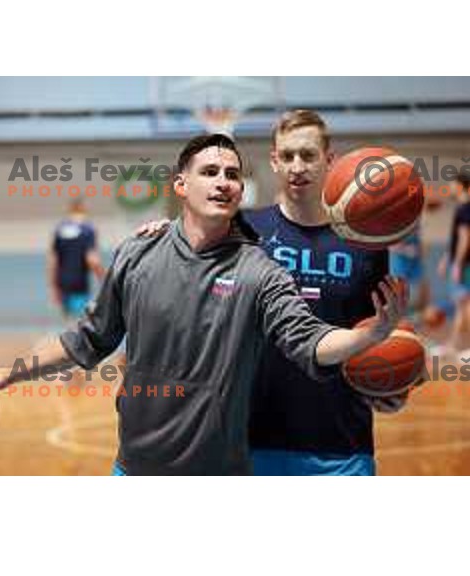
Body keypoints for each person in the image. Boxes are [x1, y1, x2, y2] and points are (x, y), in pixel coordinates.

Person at [0, 134, 406, 476]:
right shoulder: (137, 252)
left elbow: (309, 342)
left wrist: (368, 335)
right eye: (210, 172)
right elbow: (87, 340)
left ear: (241, 191)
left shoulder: (260, 271)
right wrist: (10, 372)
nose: (223, 181)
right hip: (132, 468)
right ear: (181, 185)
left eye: (233, 174)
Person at [138, 113, 410, 476]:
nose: (298, 166)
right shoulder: (241, 228)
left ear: (329, 160)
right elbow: (186, 256)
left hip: (342, 444)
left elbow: (373, 333)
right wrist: (166, 233)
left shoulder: (366, 244)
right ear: (274, 161)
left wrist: (390, 385)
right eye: (288, 156)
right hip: (249, 439)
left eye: (309, 155)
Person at [48, 199, 105, 320]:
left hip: (62, 283)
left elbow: (53, 260)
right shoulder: (88, 229)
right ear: (84, 210)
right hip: (79, 283)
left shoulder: (60, 229)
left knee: (68, 322)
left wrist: (53, 286)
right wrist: (104, 280)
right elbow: (92, 259)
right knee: (80, 322)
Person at [436, 173, 470, 357]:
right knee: (462, 306)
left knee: (464, 305)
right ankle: (454, 345)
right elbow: (457, 240)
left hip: (465, 265)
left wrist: (457, 264)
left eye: (453, 185)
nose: (450, 188)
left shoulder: (465, 209)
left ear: (462, 186)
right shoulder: (463, 208)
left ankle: (455, 345)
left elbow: (465, 239)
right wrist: (446, 259)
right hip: (463, 263)